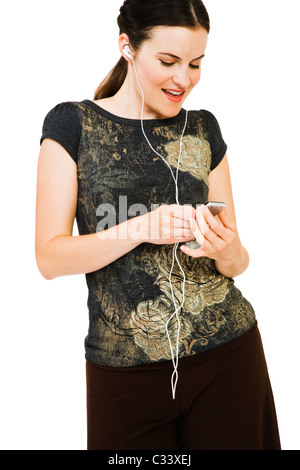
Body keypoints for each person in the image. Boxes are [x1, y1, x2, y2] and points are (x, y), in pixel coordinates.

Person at [35, 0, 281, 450]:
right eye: (167, 61)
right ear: (127, 47)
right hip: (124, 370)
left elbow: (236, 260)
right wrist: (141, 227)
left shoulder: (204, 128)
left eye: (195, 63)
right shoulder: (74, 124)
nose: (183, 79)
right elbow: (49, 257)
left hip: (228, 354)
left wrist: (227, 250)